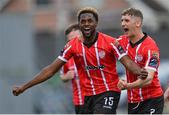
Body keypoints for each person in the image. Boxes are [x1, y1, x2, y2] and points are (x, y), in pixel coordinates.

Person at [12, 7, 148, 114]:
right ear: (79, 24)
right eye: (83, 21)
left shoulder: (110, 42)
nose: (87, 24)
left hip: (108, 91)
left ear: (96, 23)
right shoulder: (72, 46)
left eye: (90, 21)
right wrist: (24, 87)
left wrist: (140, 71)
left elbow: (127, 62)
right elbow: (50, 70)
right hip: (86, 96)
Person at [117, 8, 164, 114]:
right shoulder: (120, 42)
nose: (123, 24)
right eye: (122, 21)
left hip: (151, 100)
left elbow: (148, 79)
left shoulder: (151, 48)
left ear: (137, 23)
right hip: (133, 100)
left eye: (126, 20)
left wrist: (128, 86)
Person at [60, 24, 84, 114]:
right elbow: (62, 76)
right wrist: (67, 76)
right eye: (69, 41)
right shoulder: (67, 57)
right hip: (79, 102)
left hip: (96, 100)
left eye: (75, 39)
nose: (73, 43)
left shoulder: (93, 52)